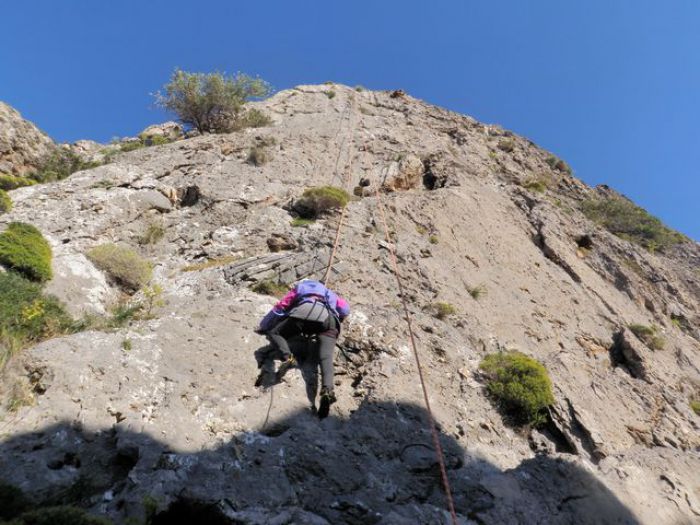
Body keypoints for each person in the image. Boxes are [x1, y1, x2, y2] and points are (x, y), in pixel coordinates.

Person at [254, 279, 350, 418]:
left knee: (275, 332)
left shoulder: (301, 288)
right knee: (326, 357)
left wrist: (264, 325)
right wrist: (337, 319)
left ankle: (288, 357)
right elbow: (345, 309)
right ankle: (327, 391)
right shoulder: (329, 293)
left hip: (303, 314)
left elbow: (281, 306)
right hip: (328, 320)